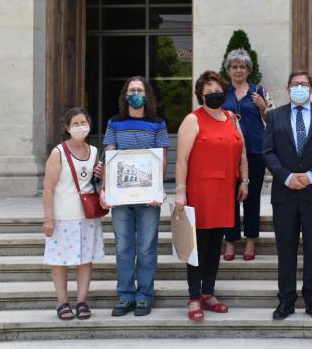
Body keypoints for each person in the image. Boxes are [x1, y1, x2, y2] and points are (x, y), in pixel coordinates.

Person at [263, 70, 312, 321]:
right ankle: (286, 300)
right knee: (286, 249)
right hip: (284, 193)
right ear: (287, 89)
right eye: (295, 84)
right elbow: (268, 152)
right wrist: (287, 177)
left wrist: (311, 176)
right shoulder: (274, 116)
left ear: (311, 89)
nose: (299, 88)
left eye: (304, 85)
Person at [174, 71, 248, 322]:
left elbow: (243, 151)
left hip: (225, 191)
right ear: (200, 96)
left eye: (218, 90)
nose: (215, 95)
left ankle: (208, 292)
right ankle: (194, 296)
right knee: (198, 246)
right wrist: (180, 191)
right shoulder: (192, 120)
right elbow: (182, 158)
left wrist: (245, 181)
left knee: (216, 244)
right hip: (200, 192)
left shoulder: (231, 117)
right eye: (209, 92)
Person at [99, 76, 169, 317]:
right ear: (125, 95)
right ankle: (125, 296)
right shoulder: (114, 123)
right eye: (132, 90)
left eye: (139, 89)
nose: (135, 93)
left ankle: (144, 296)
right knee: (123, 247)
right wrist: (104, 190)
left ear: (147, 94)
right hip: (120, 198)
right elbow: (109, 156)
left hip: (148, 198)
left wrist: (158, 191)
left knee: (147, 247)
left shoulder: (158, 123)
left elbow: (162, 160)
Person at [42, 107, 104, 321]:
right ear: (68, 128)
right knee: (60, 261)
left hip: (87, 216)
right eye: (75, 124)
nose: (80, 127)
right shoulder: (58, 152)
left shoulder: (95, 152)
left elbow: (96, 183)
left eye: (83, 123)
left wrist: (102, 175)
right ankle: (62, 302)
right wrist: (48, 218)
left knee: (85, 259)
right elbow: (48, 187)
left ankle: (81, 301)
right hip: (62, 216)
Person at [221, 49, 273, 262]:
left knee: (251, 197)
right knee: (229, 198)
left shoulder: (258, 91)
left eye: (242, 66)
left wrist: (262, 108)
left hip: (254, 151)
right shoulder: (222, 92)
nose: (238, 70)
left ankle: (251, 239)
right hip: (227, 152)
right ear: (228, 69)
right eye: (234, 66)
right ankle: (231, 241)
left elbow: (272, 121)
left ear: (248, 69)